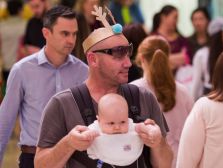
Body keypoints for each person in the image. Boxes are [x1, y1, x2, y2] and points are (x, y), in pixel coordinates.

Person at [35, 5, 173, 168]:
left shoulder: (143, 97)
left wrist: (157, 143)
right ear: (93, 59)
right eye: (118, 54)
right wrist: (68, 144)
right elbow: (40, 164)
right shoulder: (63, 103)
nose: (128, 63)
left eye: (128, 53)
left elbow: (165, 164)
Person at [0, 5, 88, 168]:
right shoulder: (22, 70)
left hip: (75, 160)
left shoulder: (84, 72)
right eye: (65, 34)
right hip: (32, 158)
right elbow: (5, 121)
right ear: (46, 33)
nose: (71, 40)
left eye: (74, 34)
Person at [131, 35, 193, 168]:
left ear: (141, 59)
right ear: (168, 57)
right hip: (183, 160)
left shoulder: (133, 91)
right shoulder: (183, 91)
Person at [87, 93, 159, 166]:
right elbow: (85, 134)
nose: (117, 127)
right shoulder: (95, 129)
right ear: (99, 121)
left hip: (132, 157)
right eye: (111, 123)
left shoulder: (131, 127)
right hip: (103, 159)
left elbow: (141, 127)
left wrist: (151, 130)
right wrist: (86, 136)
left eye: (122, 122)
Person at [191, 17, 223, 100]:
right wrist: (192, 105)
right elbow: (196, 83)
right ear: (218, 35)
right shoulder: (202, 54)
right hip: (209, 96)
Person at [151, 5, 192, 71]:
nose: (177, 21)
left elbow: (187, 58)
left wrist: (167, 59)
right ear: (163, 17)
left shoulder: (181, 39)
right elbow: (154, 61)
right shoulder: (152, 39)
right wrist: (179, 57)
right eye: (175, 17)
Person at [0, 0, 26, 82]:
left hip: (6, 67)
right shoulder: (26, 25)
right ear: (20, 10)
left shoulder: (1, 26)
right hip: (23, 67)